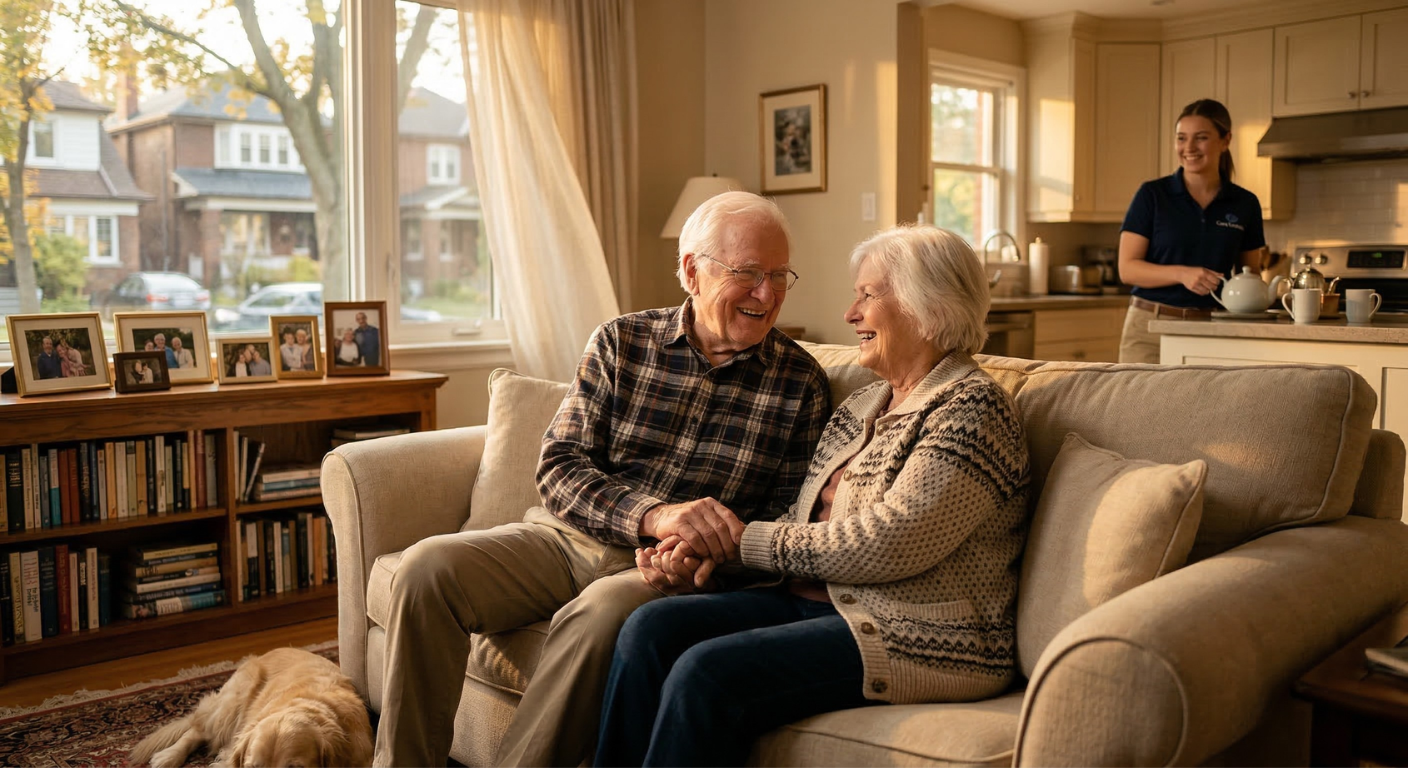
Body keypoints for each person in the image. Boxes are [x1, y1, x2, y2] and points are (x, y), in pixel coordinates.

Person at [374, 191, 832, 768]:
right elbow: (560, 464)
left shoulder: (801, 385)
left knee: (603, 618)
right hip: (566, 540)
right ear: (692, 271)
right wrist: (654, 514)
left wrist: (704, 562)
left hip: (665, 573)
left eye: (778, 275)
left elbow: (784, 526)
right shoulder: (622, 342)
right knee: (425, 570)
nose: (766, 294)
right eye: (747, 273)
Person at [595, 225, 1033, 768]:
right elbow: (797, 521)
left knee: (706, 672)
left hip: (924, 633)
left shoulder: (972, 409)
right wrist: (702, 557)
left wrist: (736, 544)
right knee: (649, 628)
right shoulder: (862, 406)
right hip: (810, 602)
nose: (850, 314)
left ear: (928, 306)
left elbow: (890, 541)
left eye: (868, 296)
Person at [1117, 98, 1267, 363]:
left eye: (1201, 138)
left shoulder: (1245, 203)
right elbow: (1127, 269)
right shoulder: (1152, 195)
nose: (1189, 148)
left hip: (1213, 331)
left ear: (1225, 140)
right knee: (1141, 406)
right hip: (1149, 329)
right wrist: (1182, 273)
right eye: (1181, 138)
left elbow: (1250, 274)